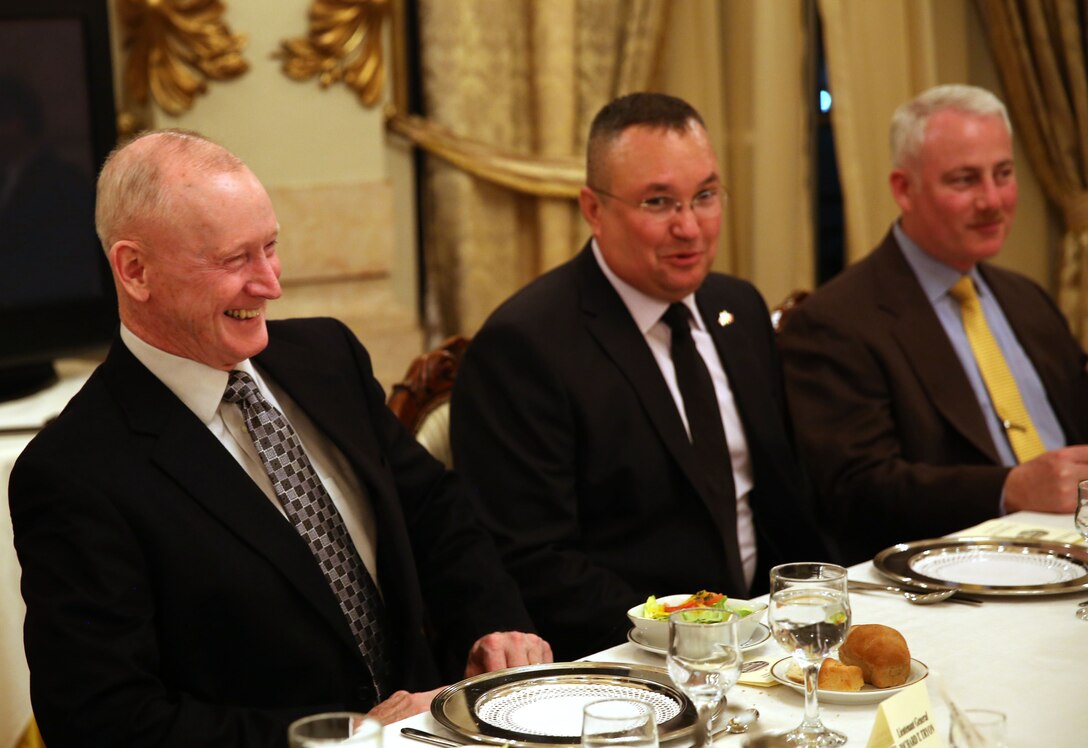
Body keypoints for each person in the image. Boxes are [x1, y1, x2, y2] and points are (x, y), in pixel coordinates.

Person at [8, 129, 551, 748]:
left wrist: (492, 626)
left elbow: (434, 513)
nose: (270, 284)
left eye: (271, 247)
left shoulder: (326, 356)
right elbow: (104, 721)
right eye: (236, 260)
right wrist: (348, 735)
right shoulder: (74, 472)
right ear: (135, 270)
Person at [450, 92, 830, 661]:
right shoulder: (526, 345)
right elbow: (534, 561)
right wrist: (695, 640)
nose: (690, 227)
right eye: (659, 202)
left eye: (705, 196)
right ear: (593, 209)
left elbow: (782, 497)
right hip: (629, 662)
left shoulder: (738, 307)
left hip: (767, 643)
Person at [777, 84, 1088, 564]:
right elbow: (857, 491)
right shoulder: (836, 321)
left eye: (1003, 174)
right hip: (956, 573)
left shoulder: (1027, 299)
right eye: (965, 180)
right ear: (904, 189)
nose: (993, 200)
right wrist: (1009, 487)